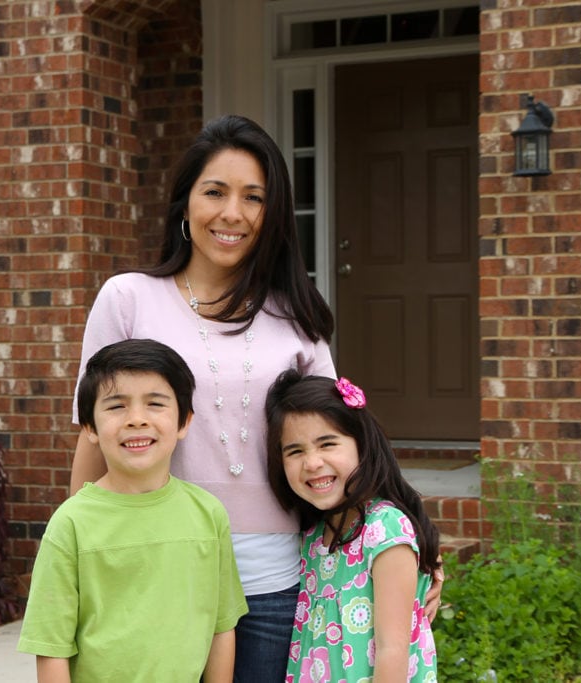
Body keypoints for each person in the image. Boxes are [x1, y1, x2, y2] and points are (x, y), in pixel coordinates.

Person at [69, 114, 442, 681]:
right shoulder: (128, 299)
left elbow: (340, 443)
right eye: (214, 192)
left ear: (272, 215)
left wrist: (414, 546)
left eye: (254, 197)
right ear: (184, 203)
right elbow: (93, 439)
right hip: (159, 563)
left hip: (277, 578)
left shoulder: (297, 313)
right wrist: (74, 557)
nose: (232, 214)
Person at [19, 338, 247, 682]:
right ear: (90, 428)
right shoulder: (71, 524)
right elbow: (51, 647)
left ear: (184, 421)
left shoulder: (208, 514)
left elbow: (221, 626)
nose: (137, 419)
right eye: (116, 406)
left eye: (155, 403)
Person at [265, 370, 440, 682]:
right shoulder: (314, 536)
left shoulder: (385, 530)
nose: (312, 462)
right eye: (295, 451)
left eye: (327, 444)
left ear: (362, 445)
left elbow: (393, 649)